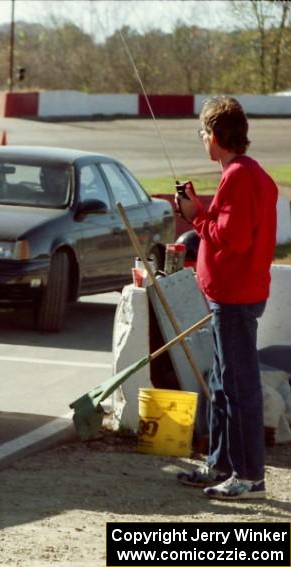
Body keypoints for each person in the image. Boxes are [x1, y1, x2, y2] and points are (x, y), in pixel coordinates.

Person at [175, 96, 278, 500]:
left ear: (215, 136)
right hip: (233, 295)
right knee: (222, 383)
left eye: (203, 133)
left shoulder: (239, 176)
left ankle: (249, 475)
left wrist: (196, 216)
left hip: (235, 298)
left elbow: (231, 239)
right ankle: (220, 463)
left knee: (238, 386)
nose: (202, 140)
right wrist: (201, 211)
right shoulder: (246, 174)